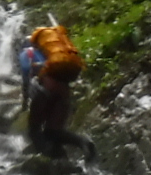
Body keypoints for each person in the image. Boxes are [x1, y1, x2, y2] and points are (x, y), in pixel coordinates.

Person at [19, 24, 97, 161]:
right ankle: (83, 142)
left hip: (45, 87)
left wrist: (25, 104)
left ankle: (47, 163)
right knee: (53, 132)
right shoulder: (55, 56)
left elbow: (27, 80)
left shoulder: (27, 54)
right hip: (63, 89)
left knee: (34, 131)